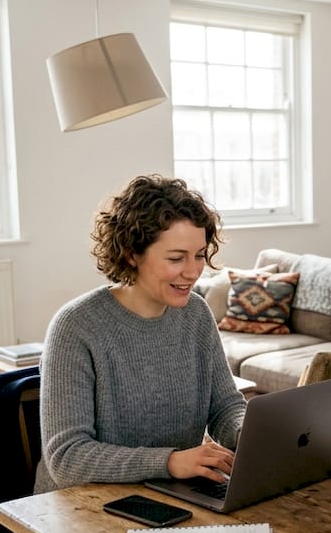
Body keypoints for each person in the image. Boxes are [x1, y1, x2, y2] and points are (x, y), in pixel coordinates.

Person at [34, 174, 246, 493]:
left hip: (170, 492)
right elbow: (66, 458)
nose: (193, 271)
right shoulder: (76, 326)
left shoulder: (196, 314)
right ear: (132, 254)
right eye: (176, 258)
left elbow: (225, 407)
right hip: (80, 504)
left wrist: (252, 435)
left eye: (200, 255)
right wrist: (171, 462)